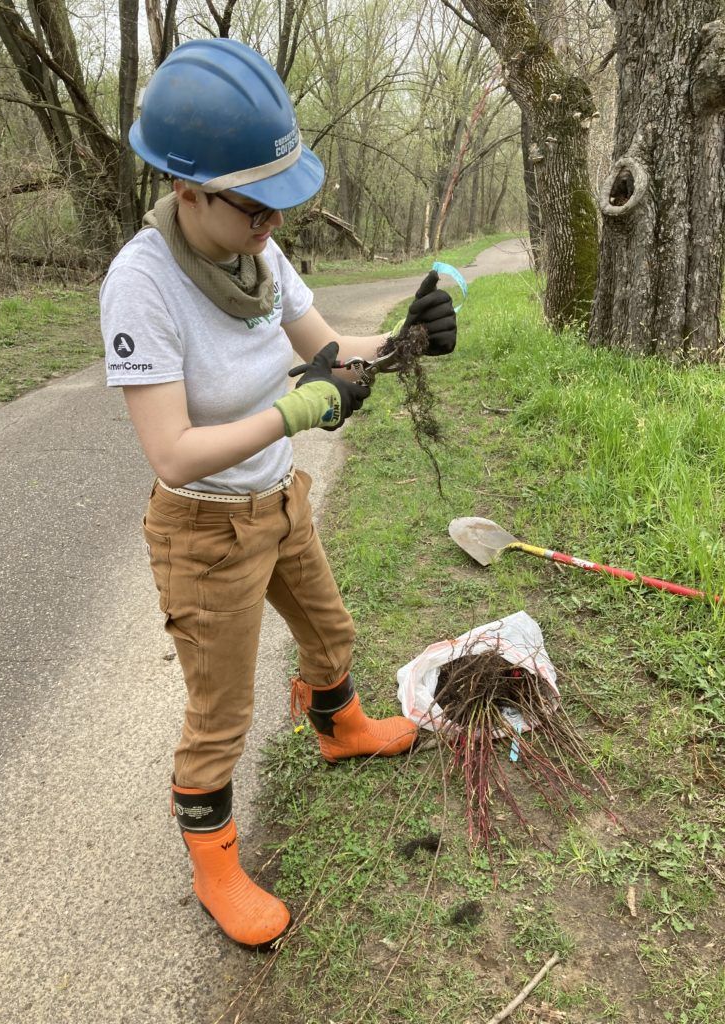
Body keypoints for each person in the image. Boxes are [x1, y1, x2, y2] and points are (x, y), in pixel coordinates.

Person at [100, 37, 456, 952]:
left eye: (280, 206)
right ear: (187, 189)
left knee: (331, 634)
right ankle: (215, 861)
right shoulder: (141, 285)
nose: (272, 224)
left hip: (278, 500)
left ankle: (340, 730)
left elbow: (330, 353)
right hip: (203, 527)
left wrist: (408, 338)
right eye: (255, 206)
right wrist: (297, 408)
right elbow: (173, 452)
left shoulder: (263, 255)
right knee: (219, 711)